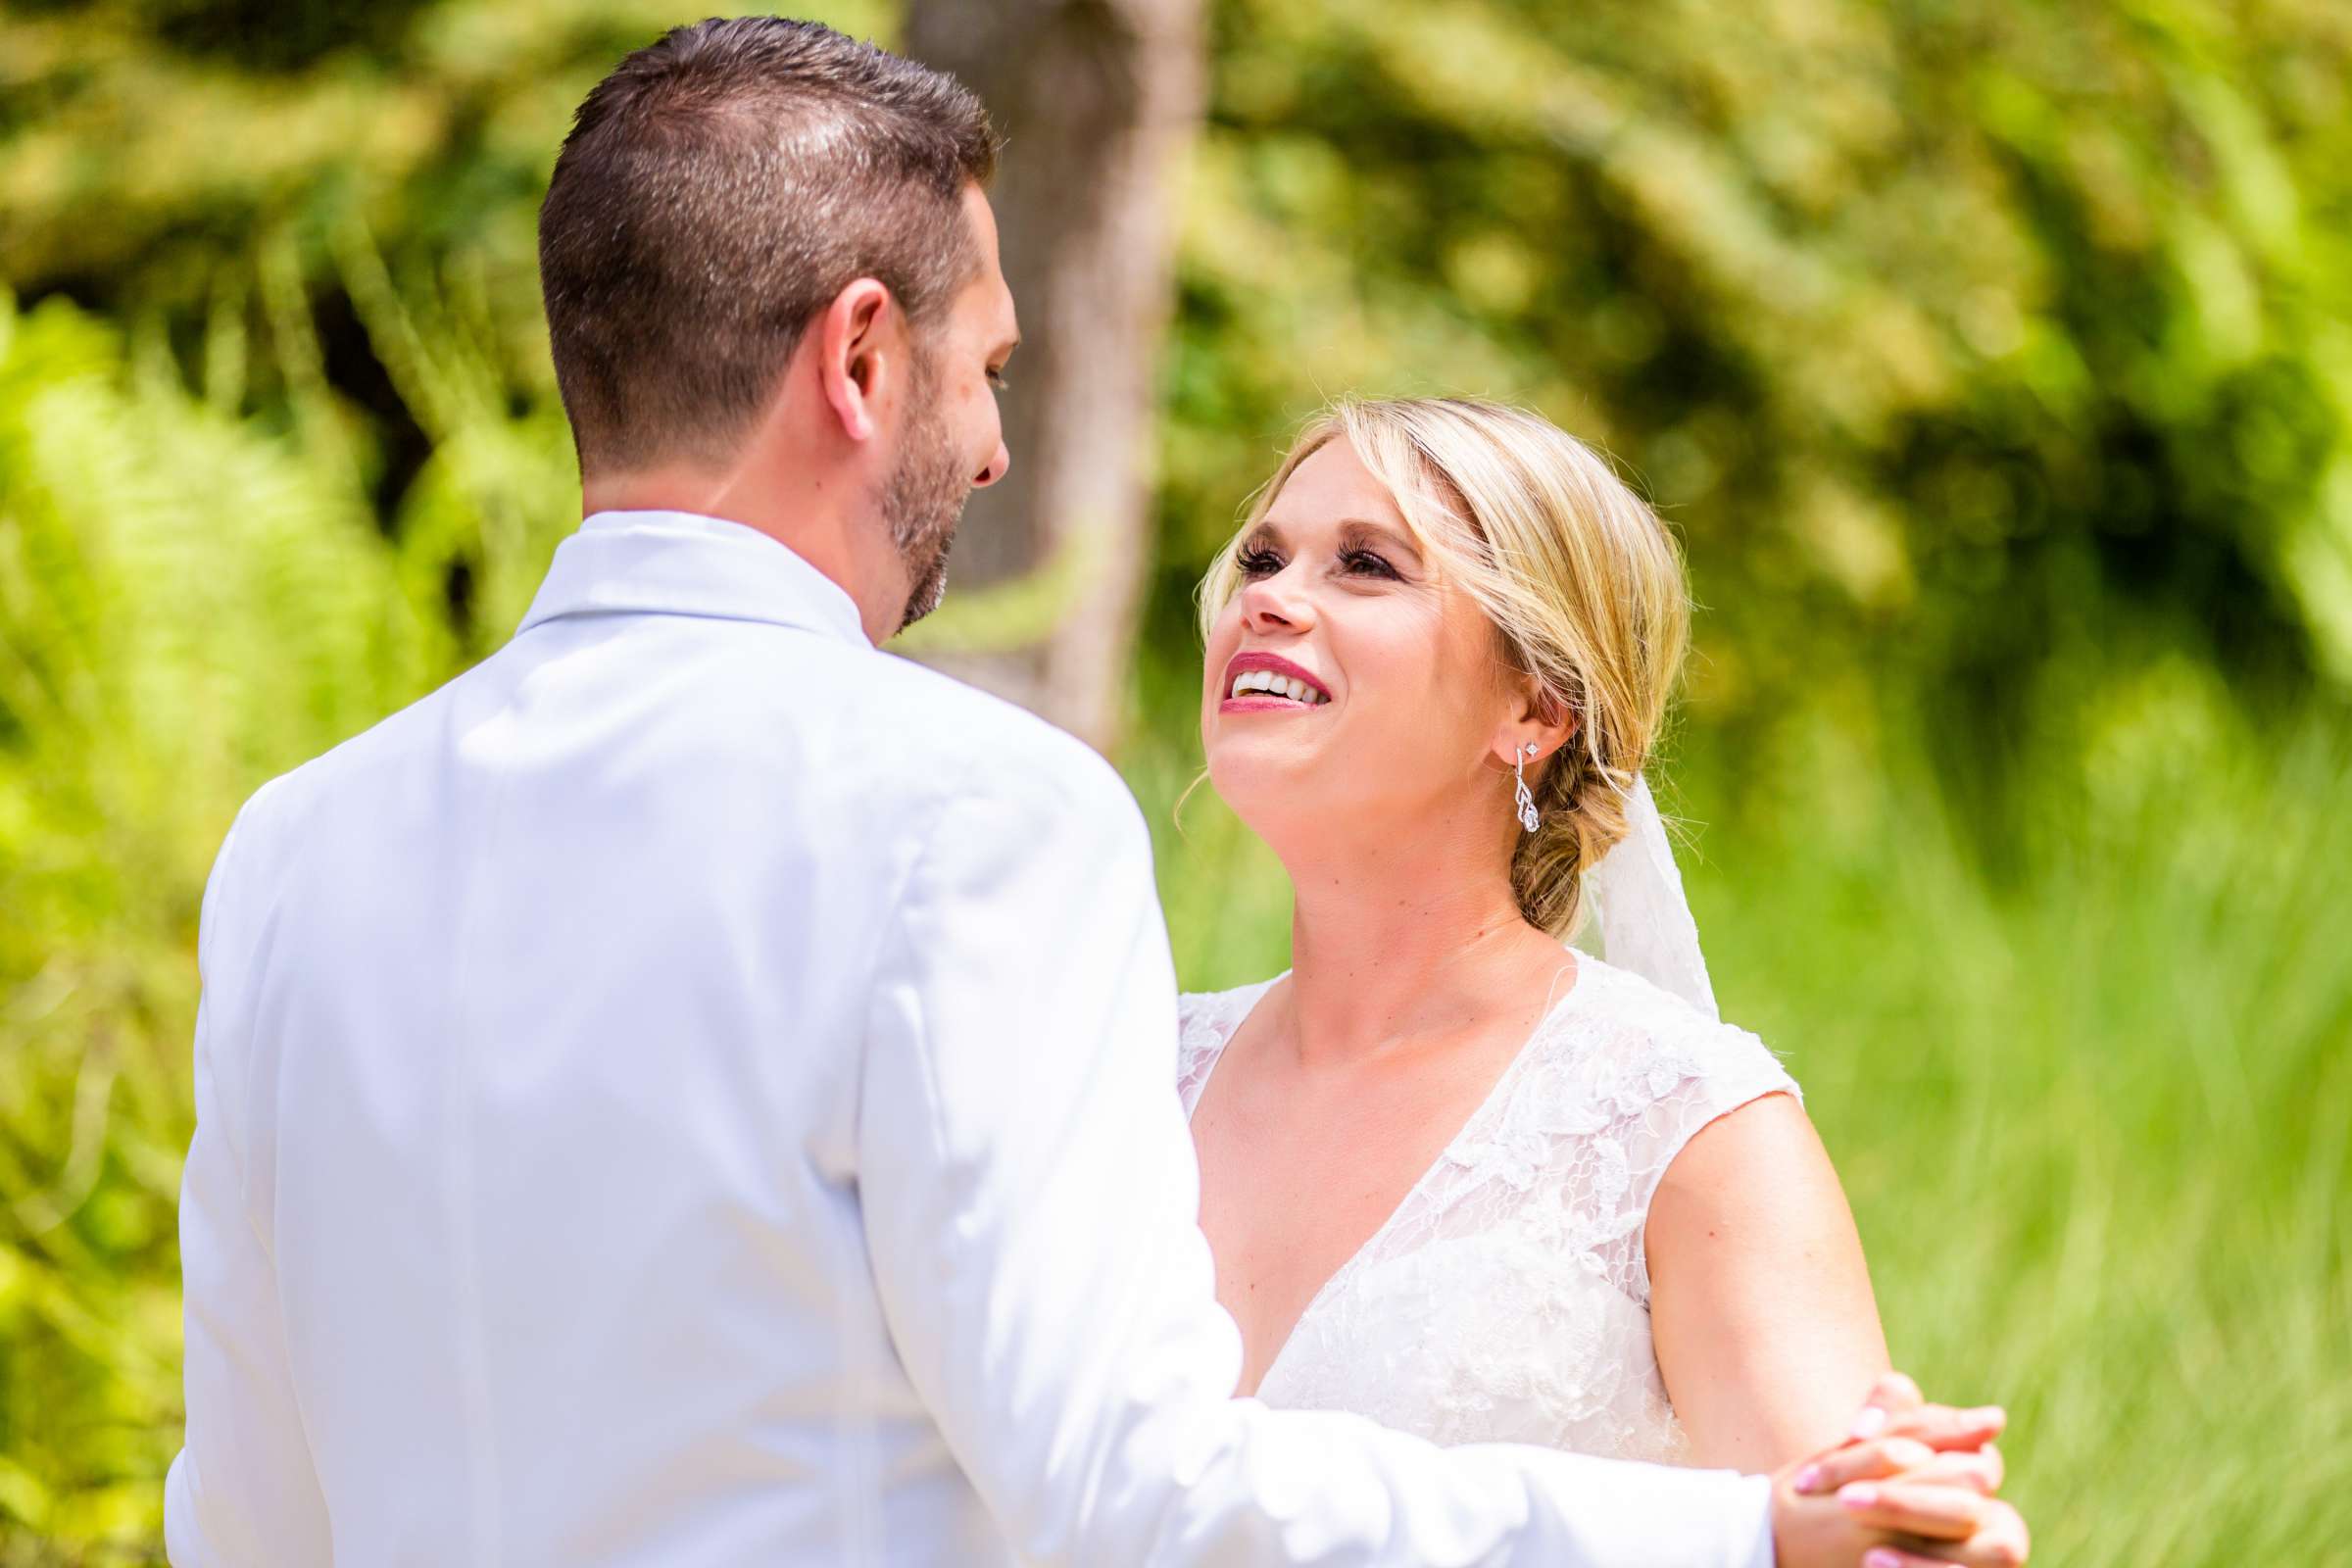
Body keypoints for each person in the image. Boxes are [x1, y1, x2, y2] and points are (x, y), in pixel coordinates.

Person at [163, 18, 2028, 1567]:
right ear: (860, 357)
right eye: (983, 372)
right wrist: (1722, 1537)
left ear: (1538, 708)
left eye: (1366, 568)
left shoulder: (290, 853)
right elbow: (1129, 1487)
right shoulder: (983, 822)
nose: (988, 450)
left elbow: (244, 1515)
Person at [1180, 396, 1940, 1483]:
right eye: (1261, 558)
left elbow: (1847, 1537)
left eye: (1366, 565)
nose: (1271, 600)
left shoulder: (1689, 1133)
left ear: (1535, 709)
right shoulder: (1128, 1082)